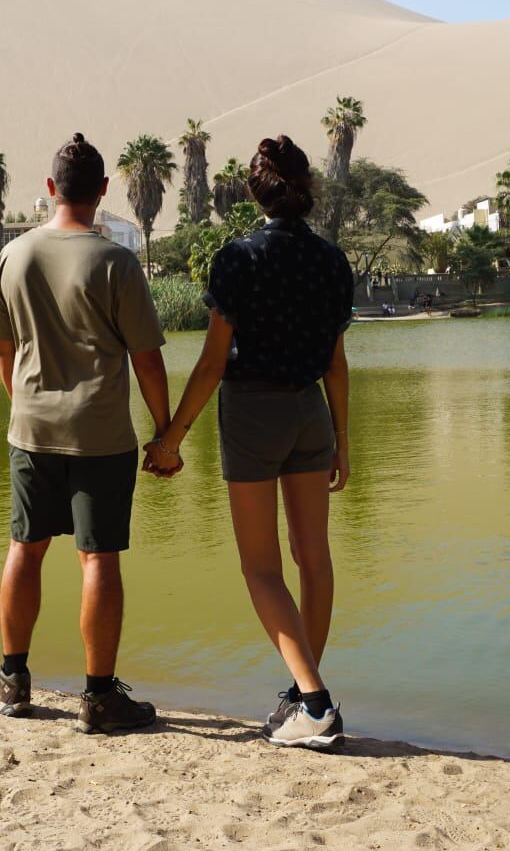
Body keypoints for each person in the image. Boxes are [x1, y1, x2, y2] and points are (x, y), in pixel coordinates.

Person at [145, 135, 353, 751]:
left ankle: (313, 703)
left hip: (253, 415)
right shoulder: (331, 261)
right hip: (311, 413)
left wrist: (170, 438)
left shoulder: (238, 257)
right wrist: (343, 439)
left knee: (260, 567)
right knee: (312, 558)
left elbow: (212, 364)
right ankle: (302, 692)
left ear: (254, 191)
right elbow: (336, 364)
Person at [0, 132, 171, 735]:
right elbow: (147, 361)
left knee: (24, 548)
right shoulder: (116, 261)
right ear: (104, 191)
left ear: (52, 187)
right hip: (101, 435)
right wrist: (165, 432)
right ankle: (99, 698)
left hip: (31, 431)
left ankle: (12, 679)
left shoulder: (15, 255)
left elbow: (2, 351)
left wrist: (26, 407)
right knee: (98, 557)